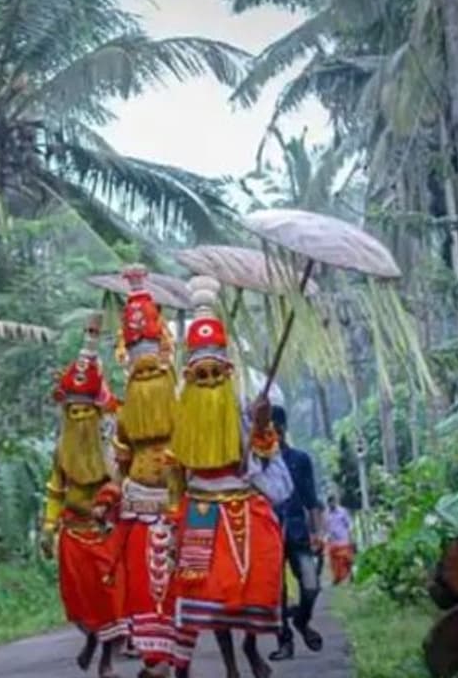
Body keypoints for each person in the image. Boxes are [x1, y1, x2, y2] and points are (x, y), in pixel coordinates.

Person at [164, 276, 293, 678]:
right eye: (200, 376)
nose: (208, 382)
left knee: (261, 575)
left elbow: (267, 460)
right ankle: (231, 664)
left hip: (242, 501)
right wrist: (173, 522)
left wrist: (261, 427)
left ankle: (252, 648)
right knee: (209, 592)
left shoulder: (243, 408)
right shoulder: (181, 418)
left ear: (228, 372)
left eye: (214, 375)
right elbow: (175, 476)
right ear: (189, 376)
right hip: (201, 507)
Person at [41, 313, 127, 677]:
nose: (78, 417)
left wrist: (108, 502)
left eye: (84, 411)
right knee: (77, 599)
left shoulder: (109, 451)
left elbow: (120, 485)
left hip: (104, 534)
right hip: (72, 535)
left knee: (110, 599)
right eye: (72, 411)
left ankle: (107, 658)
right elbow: (55, 491)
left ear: (95, 413)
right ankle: (90, 638)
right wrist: (48, 528)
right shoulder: (61, 452)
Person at [110, 265, 180, 678]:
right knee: (139, 580)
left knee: (175, 582)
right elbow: (117, 463)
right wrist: (111, 494)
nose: (148, 379)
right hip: (136, 500)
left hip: (174, 499)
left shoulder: (184, 413)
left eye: (154, 371)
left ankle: (173, 655)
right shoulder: (123, 420)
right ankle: (154, 658)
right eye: (141, 373)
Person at [268, 405, 325, 662]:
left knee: (311, 584)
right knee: (274, 593)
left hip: (298, 533)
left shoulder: (300, 460)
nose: (272, 434)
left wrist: (318, 533)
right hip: (268, 536)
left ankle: (302, 621)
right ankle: (285, 641)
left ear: (282, 429)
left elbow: (312, 500)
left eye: (275, 428)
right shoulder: (257, 465)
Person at [325, 495, 355, 585]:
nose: (332, 504)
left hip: (344, 539)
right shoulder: (326, 514)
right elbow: (326, 526)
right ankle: (336, 578)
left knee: (347, 559)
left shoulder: (342, 511)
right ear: (328, 503)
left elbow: (349, 524)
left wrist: (351, 536)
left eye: (333, 502)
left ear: (336, 502)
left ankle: (350, 575)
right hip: (333, 541)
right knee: (334, 561)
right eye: (330, 502)